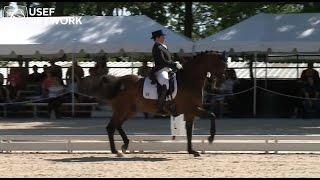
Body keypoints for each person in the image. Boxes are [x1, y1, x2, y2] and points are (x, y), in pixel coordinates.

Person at [151, 30, 183, 115]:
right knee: (165, 83)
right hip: (160, 70)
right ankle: (160, 107)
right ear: (157, 38)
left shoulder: (163, 46)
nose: (164, 38)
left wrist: (175, 63)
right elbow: (163, 62)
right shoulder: (157, 47)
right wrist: (174, 65)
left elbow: (169, 60)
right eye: (162, 36)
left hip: (167, 69)